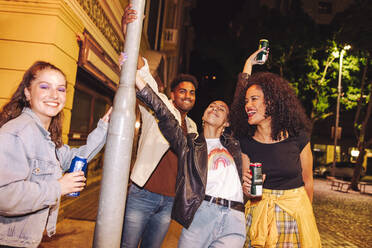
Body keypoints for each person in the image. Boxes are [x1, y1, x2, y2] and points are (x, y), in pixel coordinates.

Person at [0, 61, 111, 248]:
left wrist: (105, 127)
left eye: (61, 89)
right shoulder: (17, 132)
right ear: (27, 92)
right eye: (44, 87)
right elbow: (4, 196)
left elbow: (77, 158)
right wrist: (58, 187)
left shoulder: (46, 135)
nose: (54, 95)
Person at [134, 73, 248, 248]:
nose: (215, 108)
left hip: (234, 218)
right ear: (203, 116)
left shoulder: (233, 145)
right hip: (202, 214)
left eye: (221, 108)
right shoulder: (190, 146)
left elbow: (240, 104)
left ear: (227, 122)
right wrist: (136, 78)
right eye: (211, 106)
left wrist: (247, 68)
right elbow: (164, 114)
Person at [120, 5, 199, 248]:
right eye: (182, 91)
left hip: (168, 201)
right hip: (142, 193)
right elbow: (141, 67)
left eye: (192, 93)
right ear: (172, 95)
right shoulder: (160, 104)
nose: (187, 95)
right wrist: (129, 31)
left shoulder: (194, 126)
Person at [230, 52, 321, 247]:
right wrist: (248, 190)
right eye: (246, 101)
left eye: (254, 99)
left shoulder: (299, 137)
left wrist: (306, 218)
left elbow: (308, 182)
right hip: (259, 218)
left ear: (271, 102)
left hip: (294, 217)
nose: (248, 105)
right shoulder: (246, 143)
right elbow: (247, 191)